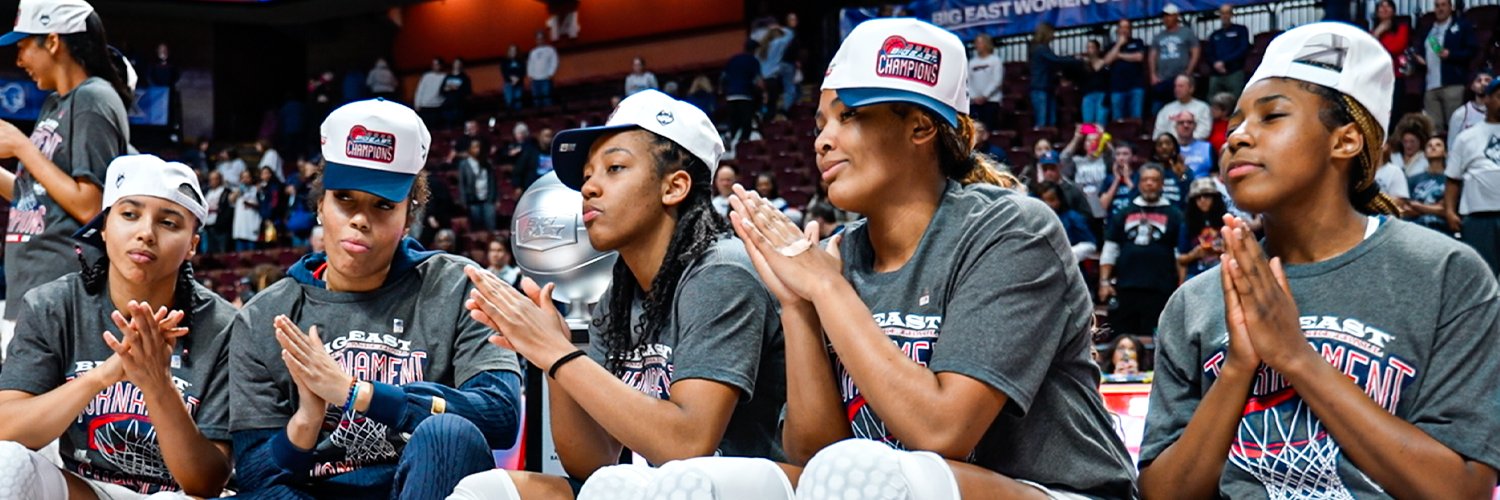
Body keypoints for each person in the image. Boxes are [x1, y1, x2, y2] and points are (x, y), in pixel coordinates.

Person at [702, 18, 1137, 498]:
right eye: (821, 124)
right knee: (695, 484)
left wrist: (827, 289)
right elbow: (813, 455)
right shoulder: (839, 255)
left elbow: (943, 431)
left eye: (849, 116)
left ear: (921, 126)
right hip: (890, 487)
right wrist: (798, 307)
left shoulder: (1012, 229)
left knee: (866, 476)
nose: (822, 141)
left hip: (1062, 492)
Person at [1139, 22, 1500, 499]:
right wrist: (1239, 367)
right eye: (1236, 123)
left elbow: (1463, 491)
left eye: (1272, 116)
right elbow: (1162, 494)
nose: (1237, 137)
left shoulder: (1445, 272)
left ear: (1345, 141)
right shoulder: (1196, 301)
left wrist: (1295, 357)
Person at [450, 88, 789, 500]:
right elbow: (592, 462)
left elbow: (687, 444)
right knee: (486, 491)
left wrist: (559, 354)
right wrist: (552, 358)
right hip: (665, 487)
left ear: (674, 187)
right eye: (587, 175)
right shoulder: (620, 294)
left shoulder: (721, 271)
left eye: (614, 168)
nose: (589, 188)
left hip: (747, 486)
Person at [229, 99, 522, 499]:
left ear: (408, 217)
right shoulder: (265, 315)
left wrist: (359, 394)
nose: (360, 219)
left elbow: (500, 416)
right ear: (320, 205)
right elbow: (253, 476)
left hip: (423, 486)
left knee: (448, 434)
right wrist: (308, 418)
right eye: (345, 198)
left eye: (383, 204)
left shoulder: (460, 287)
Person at [0, 155, 236, 498]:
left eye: (168, 222)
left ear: (192, 245)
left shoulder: (225, 327)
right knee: (6, 463)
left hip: (181, 496)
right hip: (90, 491)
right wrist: (103, 376)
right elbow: (6, 428)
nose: (146, 233)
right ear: (104, 227)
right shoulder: (54, 305)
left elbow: (206, 482)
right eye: (129, 214)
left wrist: (157, 384)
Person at [0, 0, 132, 343]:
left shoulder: (93, 99)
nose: (19, 60)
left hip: (61, 291)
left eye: (23, 46)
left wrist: (22, 147)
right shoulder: (55, 103)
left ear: (53, 41)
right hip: (32, 290)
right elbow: (36, 196)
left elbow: (91, 206)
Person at [1100, 164, 1183, 336]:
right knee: (1122, 338)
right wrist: (1104, 282)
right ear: (1139, 184)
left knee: (1156, 340)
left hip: (1160, 289)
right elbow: (1110, 249)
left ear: (1162, 184)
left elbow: (1180, 254)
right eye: (1145, 180)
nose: (1149, 184)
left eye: (1154, 180)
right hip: (1126, 288)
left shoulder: (1175, 215)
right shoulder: (1123, 213)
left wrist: (1181, 286)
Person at [1444, 78, 1500, 273]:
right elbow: (1453, 179)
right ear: (1487, 99)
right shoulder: (1466, 137)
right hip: (1478, 216)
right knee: (1482, 274)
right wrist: (1450, 211)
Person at [1413, 0, 1478, 124]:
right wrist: (1420, 59)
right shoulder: (1428, 29)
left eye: (1443, 5)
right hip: (1430, 86)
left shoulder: (1462, 26)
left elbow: (1472, 51)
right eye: (1437, 6)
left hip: (1453, 85)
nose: (1440, 9)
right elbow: (1420, 51)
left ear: (1450, 7)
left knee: (1455, 125)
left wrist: (1451, 54)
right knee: (1433, 129)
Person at [1149, 3, 1200, 115]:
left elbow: (1195, 51)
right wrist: (1153, 74)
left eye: (1169, 15)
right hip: (1163, 79)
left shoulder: (1186, 32)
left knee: (1181, 108)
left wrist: (1189, 71)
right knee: (1158, 110)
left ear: (1176, 16)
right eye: (1164, 16)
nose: (1166, 19)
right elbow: (1152, 55)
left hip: (1180, 77)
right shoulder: (1158, 36)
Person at [1176, 178, 1226, 282]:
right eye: (1198, 197)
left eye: (1207, 196)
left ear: (1215, 198)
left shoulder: (1226, 220)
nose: (1202, 200)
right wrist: (1194, 254)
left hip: (1222, 272)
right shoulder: (1187, 224)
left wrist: (1221, 249)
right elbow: (1180, 259)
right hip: (1196, 275)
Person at [1029, 22, 1076, 129]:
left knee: (1050, 121)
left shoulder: (1040, 49)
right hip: (1041, 88)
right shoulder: (1041, 49)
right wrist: (1073, 59)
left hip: (1046, 88)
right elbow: (1055, 60)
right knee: (1042, 122)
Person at [1037, 181, 1098, 263]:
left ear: (1060, 199)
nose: (1048, 204)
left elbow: (1091, 244)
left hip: (1072, 257)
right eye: (1044, 201)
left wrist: (1069, 253)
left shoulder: (1073, 217)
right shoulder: (1038, 221)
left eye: (1052, 200)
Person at [1061, 123, 1109, 219]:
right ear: (1084, 145)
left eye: (1096, 140)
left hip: (1102, 207)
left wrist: (1103, 138)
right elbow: (1063, 158)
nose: (1092, 143)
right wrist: (1076, 138)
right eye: (1088, 141)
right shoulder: (1077, 161)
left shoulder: (1105, 160)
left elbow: (1115, 156)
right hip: (1082, 207)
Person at [1370, 0, 1410, 114]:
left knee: (1395, 113)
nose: (1384, 9)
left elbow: (1397, 47)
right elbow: (1369, 51)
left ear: (1393, 11)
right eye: (1381, 6)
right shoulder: (1373, 32)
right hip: (1377, 79)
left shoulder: (1402, 29)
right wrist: (1379, 31)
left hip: (1395, 77)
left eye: (1388, 6)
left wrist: (1379, 44)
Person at [1104, 19, 1148, 121]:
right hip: (1117, 88)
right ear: (1117, 30)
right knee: (1118, 120)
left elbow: (1139, 57)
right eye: (1122, 27)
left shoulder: (1137, 42)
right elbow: (1107, 61)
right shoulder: (1111, 46)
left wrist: (1118, 55)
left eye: (1127, 27)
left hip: (1136, 86)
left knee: (1136, 118)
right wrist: (1119, 44)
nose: (1124, 30)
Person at [722, 40, 762, 148]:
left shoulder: (733, 59)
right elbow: (758, 81)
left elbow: (724, 78)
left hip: (730, 96)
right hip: (745, 95)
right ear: (754, 50)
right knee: (746, 124)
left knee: (734, 122)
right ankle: (743, 145)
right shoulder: (753, 61)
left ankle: (729, 137)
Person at [1407, 136, 1450, 233]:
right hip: (1416, 229)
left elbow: (1447, 210)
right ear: (1425, 154)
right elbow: (1407, 208)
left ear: (1445, 153)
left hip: (1442, 230)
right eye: (1429, 146)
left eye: (1438, 145)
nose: (1433, 147)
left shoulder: (1450, 180)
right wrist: (1435, 208)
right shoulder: (1413, 179)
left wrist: (1418, 206)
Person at [1206, 5, 1250, 99]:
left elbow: (1243, 49)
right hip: (1216, 73)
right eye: (1222, 13)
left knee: (1236, 100)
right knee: (1213, 100)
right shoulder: (1215, 34)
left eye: (1227, 13)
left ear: (1231, 14)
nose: (1224, 16)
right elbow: (1209, 52)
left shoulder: (1241, 30)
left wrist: (1224, 62)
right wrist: (1215, 63)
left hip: (1234, 72)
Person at [1153, 75, 1211, 141]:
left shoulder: (1203, 108)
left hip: (1193, 144)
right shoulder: (1166, 109)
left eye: (1181, 86)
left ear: (1191, 89)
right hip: (1169, 145)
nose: (1177, 89)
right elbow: (1158, 132)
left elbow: (1204, 131)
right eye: (1175, 86)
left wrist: (1185, 141)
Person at [459, 139, 498, 232]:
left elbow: (493, 182)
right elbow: (462, 184)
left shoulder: (487, 163)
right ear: (469, 149)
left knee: (490, 226)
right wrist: (464, 201)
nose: (477, 150)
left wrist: (495, 198)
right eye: (474, 147)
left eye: (479, 147)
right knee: (476, 227)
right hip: (473, 200)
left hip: (488, 199)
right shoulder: (464, 165)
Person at [967, 33, 1003, 130]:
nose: (977, 45)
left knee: (989, 128)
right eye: (976, 43)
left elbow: (997, 80)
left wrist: (985, 96)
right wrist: (974, 97)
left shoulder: (995, 60)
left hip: (991, 101)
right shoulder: (972, 62)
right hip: (974, 102)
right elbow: (968, 81)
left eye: (980, 43)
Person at [1448, 70, 1492, 147]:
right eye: (1479, 81)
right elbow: (1452, 144)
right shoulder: (1461, 114)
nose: (1483, 83)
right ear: (1472, 86)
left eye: (1487, 80)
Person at [1099, 141, 1140, 220]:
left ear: (1134, 157)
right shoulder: (1109, 179)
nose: (1121, 158)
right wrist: (1116, 180)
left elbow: (1141, 201)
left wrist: (1127, 179)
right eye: (1118, 154)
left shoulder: (1138, 176)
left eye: (1125, 154)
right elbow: (1103, 206)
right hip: (1113, 221)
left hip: (1133, 220)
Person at [1150, 132, 1193, 206]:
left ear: (1175, 148)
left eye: (1168, 143)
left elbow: (1187, 191)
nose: (1164, 147)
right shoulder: (1148, 171)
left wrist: (1181, 175)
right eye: (1160, 144)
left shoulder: (1184, 171)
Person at [1079, 39, 1112, 126]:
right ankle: (1090, 135)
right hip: (1088, 95)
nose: (1090, 50)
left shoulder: (1104, 64)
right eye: (1088, 47)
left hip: (1102, 95)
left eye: (1092, 47)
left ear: (1097, 49)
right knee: (1087, 123)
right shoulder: (1084, 65)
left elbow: (1108, 80)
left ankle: (1099, 135)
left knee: (1100, 122)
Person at [1392, 112, 1434, 177]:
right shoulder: (1394, 158)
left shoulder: (1426, 160)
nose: (1408, 145)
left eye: (1412, 142)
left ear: (1420, 142)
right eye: (1405, 141)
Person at [1175, 112, 1214, 178]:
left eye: (1190, 122)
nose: (1186, 125)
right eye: (1181, 122)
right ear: (1176, 127)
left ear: (1195, 126)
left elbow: (1216, 173)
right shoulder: (1170, 150)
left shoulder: (1208, 147)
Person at [528, 31, 558, 107]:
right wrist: (530, 75)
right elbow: (530, 64)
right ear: (536, 40)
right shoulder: (533, 52)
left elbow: (554, 62)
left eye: (541, 38)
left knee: (547, 98)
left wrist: (551, 74)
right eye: (538, 39)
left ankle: (548, 113)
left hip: (546, 78)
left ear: (544, 39)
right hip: (535, 80)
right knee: (536, 99)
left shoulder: (550, 50)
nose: (540, 40)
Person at [441, 58, 473, 128]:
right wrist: (450, 88)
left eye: (459, 64)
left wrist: (455, 89)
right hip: (448, 106)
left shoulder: (465, 77)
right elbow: (441, 91)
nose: (457, 65)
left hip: (459, 106)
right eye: (456, 63)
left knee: (459, 127)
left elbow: (468, 92)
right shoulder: (448, 77)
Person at [414, 58, 446, 122]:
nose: (435, 66)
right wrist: (417, 103)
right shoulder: (427, 76)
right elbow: (420, 90)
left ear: (441, 65)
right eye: (433, 64)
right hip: (425, 105)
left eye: (437, 64)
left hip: (437, 105)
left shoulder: (444, 76)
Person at [500, 45, 526, 111]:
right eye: (511, 50)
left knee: (518, 103)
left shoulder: (521, 60)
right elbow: (504, 72)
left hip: (519, 84)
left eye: (514, 50)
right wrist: (511, 78)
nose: (513, 52)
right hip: (508, 84)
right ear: (508, 51)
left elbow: (523, 71)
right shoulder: (504, 61)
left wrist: (517, 79)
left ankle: (518, 115)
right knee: (509, 102)